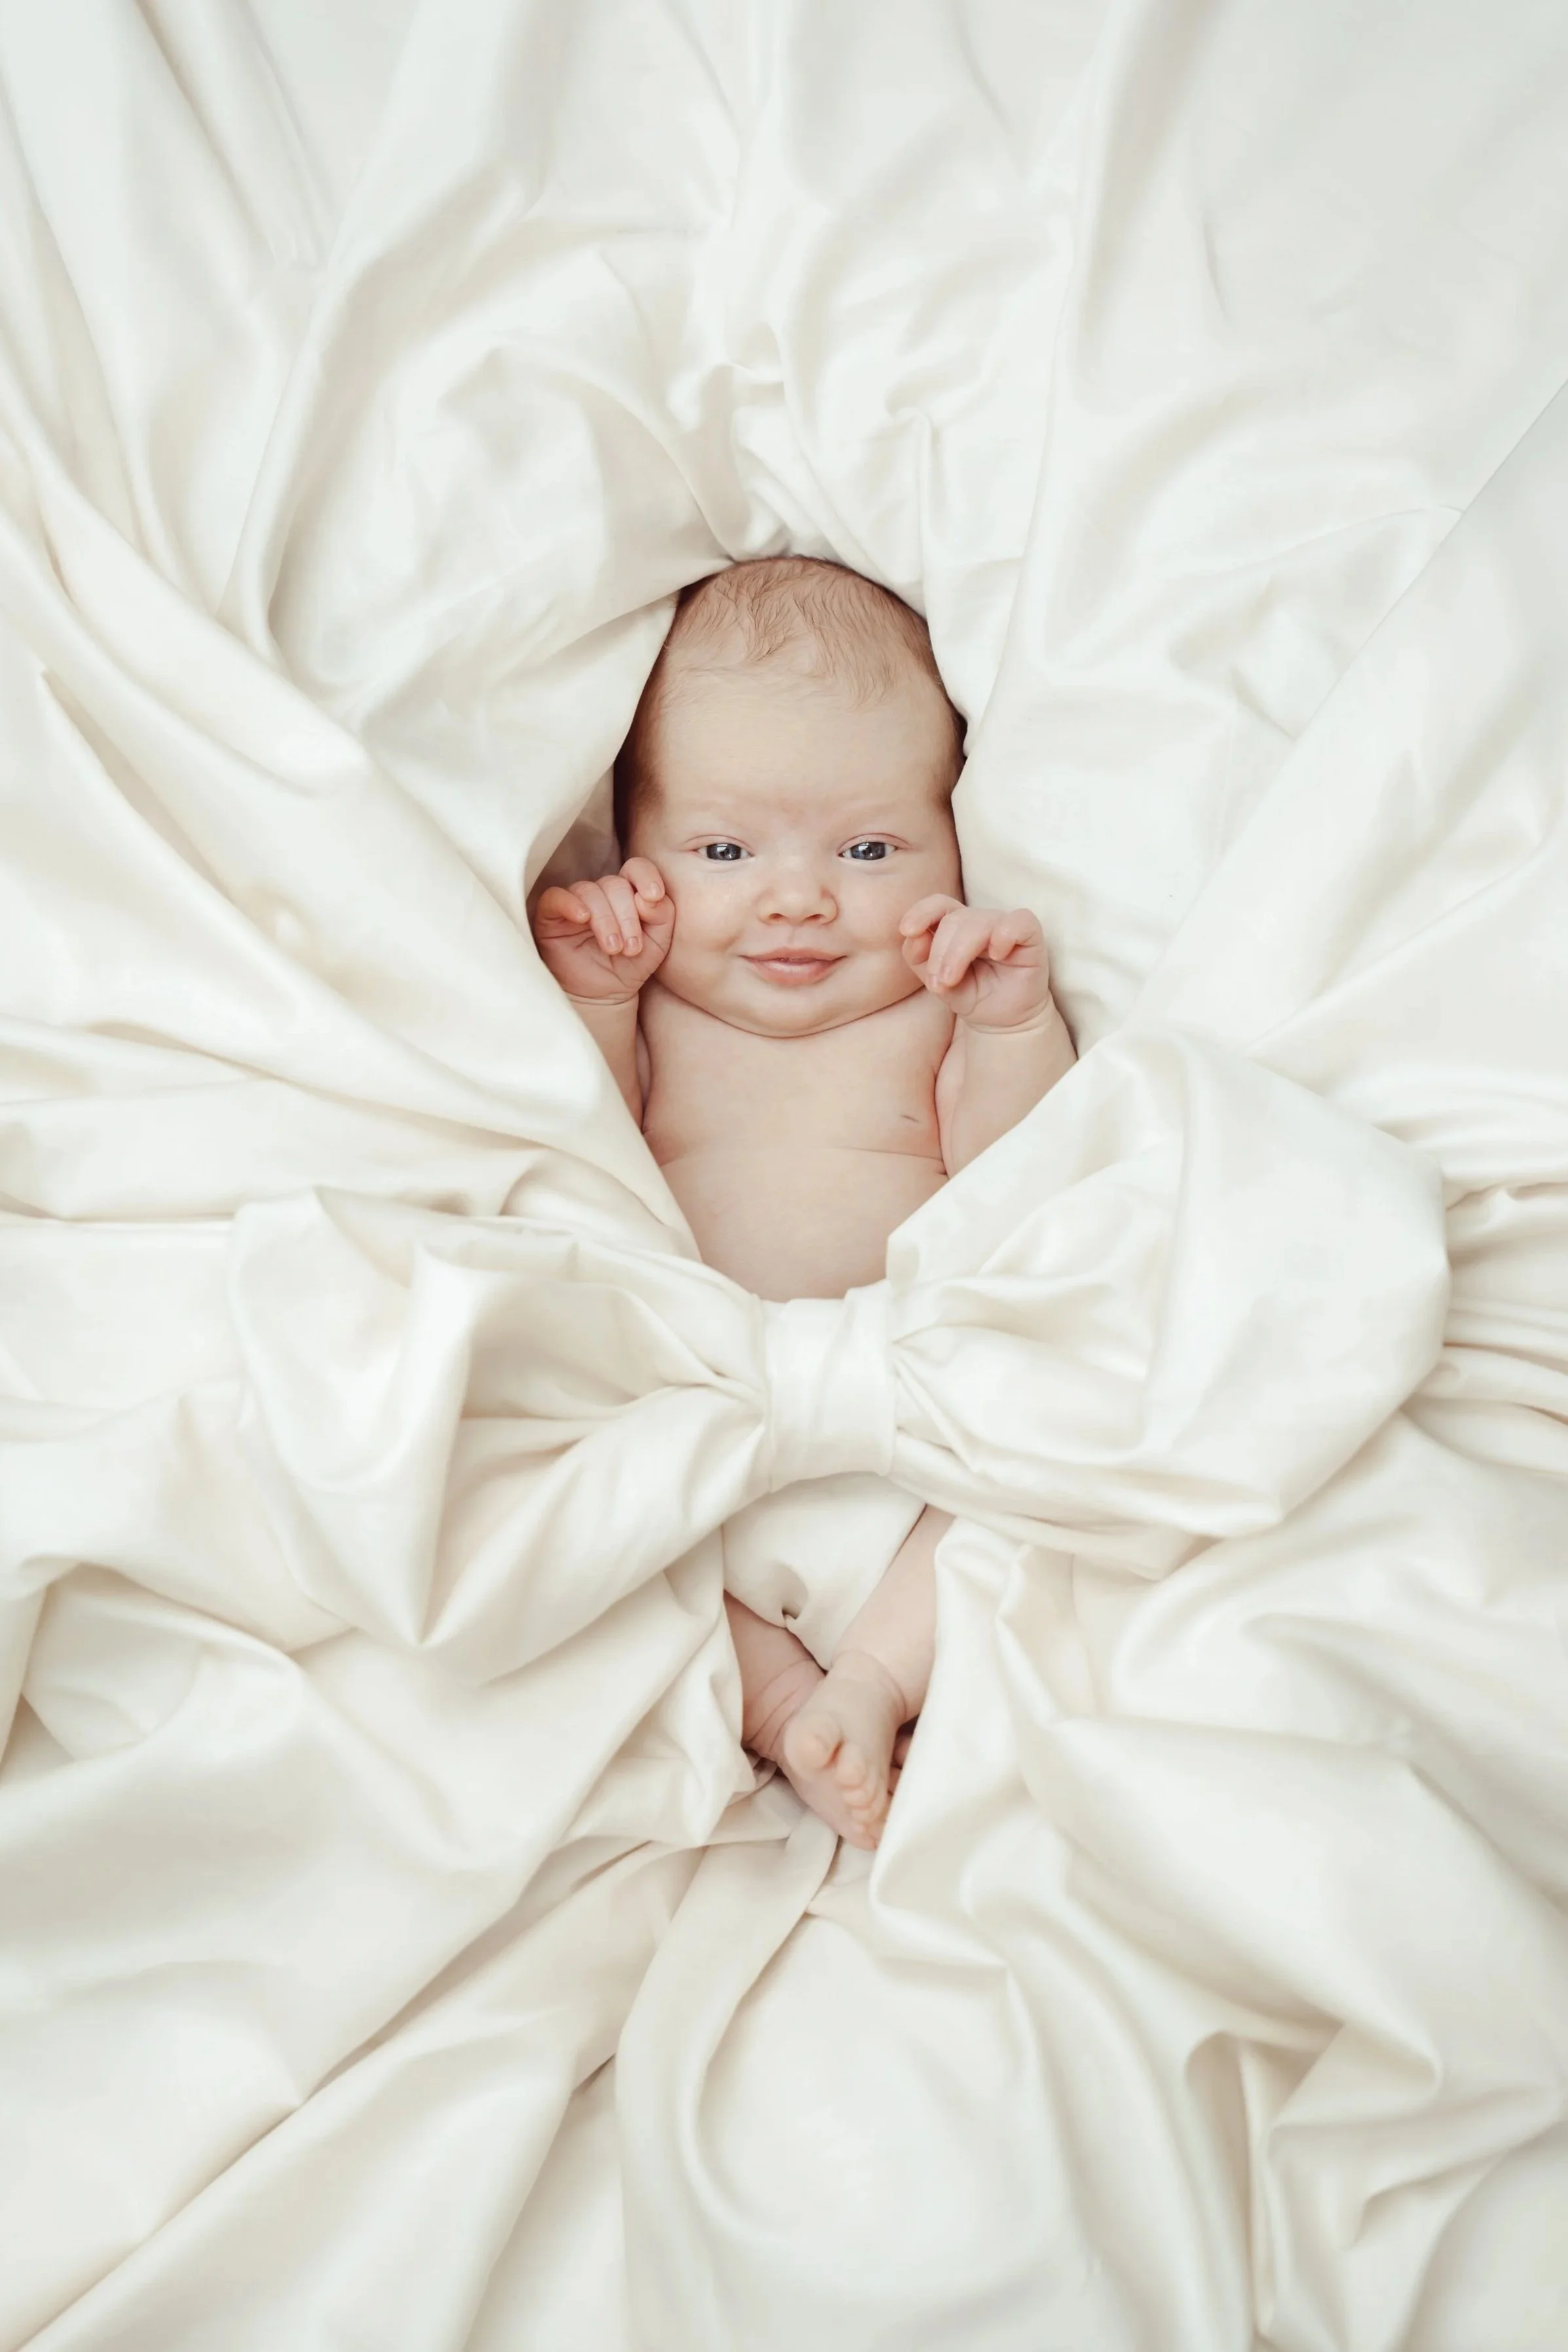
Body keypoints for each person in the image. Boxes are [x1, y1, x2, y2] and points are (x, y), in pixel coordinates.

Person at [532, 558, 1075, 1845]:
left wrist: (1010, 1028)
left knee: (1035, 1487)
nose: (798, 898)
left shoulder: (927, 1009)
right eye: (724, 851)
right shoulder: (655, 1010)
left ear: (953, 842)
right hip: (696, 1414)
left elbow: (1021, 1182)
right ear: (635, 849)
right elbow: (578, 1154)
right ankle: (781, 1702)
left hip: (914, 1419)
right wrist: (598, 1001)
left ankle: (874, 1679)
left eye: (868, 849)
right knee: (581, 1511)